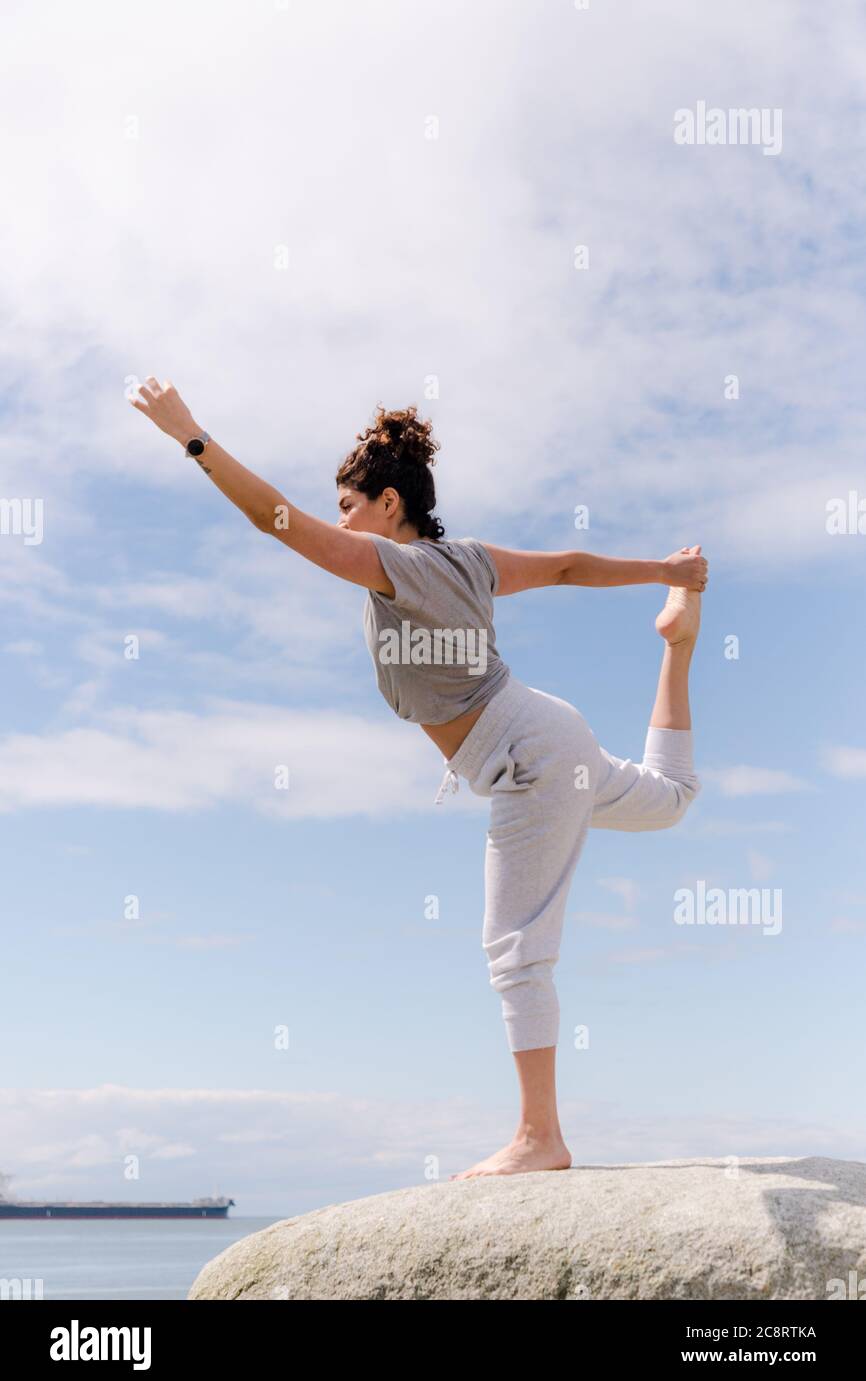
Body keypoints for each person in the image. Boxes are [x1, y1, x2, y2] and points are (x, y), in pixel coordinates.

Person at [131, 379, 708, 1179]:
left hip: (528, 758)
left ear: (389, 503)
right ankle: (677, 647)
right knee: (669, 802)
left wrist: (191, 436)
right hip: (546, 732)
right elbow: (571, 566)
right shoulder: (468, 559)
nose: (340, 522)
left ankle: (541, 1138)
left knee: (515, 951)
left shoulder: (395, 563)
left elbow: (277, 522)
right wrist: (666, 571)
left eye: (347, 505)